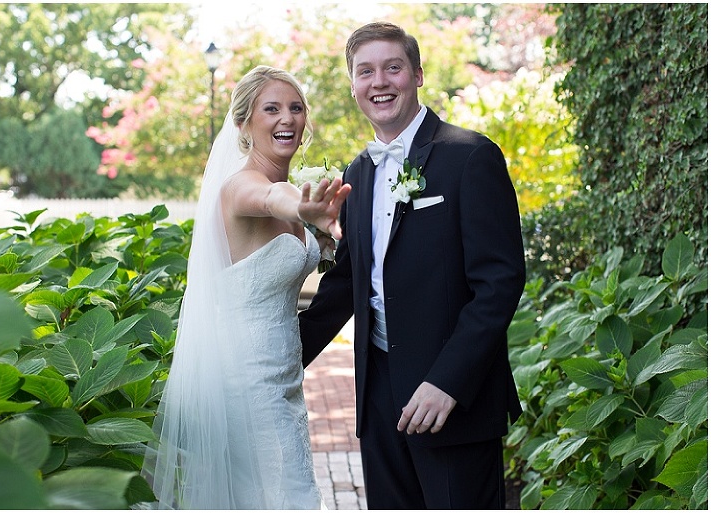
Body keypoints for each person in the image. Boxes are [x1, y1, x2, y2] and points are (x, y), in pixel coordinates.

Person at [299, 22, 526, 509]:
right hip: (378, 400)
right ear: (353, 85)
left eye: (392, 68)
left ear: (418, 75)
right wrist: (275, 359)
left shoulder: (471, 156)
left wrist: (449, 381)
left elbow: (499, 282)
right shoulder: (357, 173)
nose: (379, 82)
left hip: (452, 401)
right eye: (365, 72)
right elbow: (347, 284)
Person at [141, 65, 351, 509]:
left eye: (296, 108)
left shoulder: (286, 185)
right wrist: (304, 209)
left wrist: (323, 235)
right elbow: (272, 200)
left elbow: (286, 200)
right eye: (271, 108)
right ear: (243, 124)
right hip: (246, 378)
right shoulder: (241, 186)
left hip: (282, 372)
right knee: (285, 496)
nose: (287, 119)